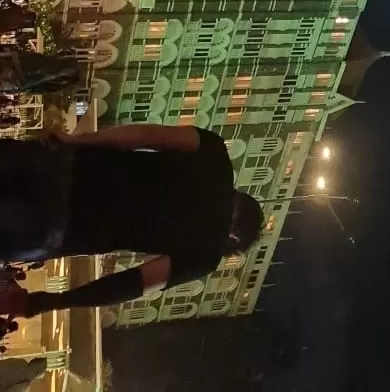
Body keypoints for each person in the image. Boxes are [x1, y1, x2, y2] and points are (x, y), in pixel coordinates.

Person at [0, 125, 263, 316]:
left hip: (59, 164)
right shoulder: (204, 256)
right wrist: (41, 303)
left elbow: (141, 136)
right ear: (232, 238)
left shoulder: (213, 150)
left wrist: (76, 139)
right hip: (55, 227)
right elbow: (130, 284)